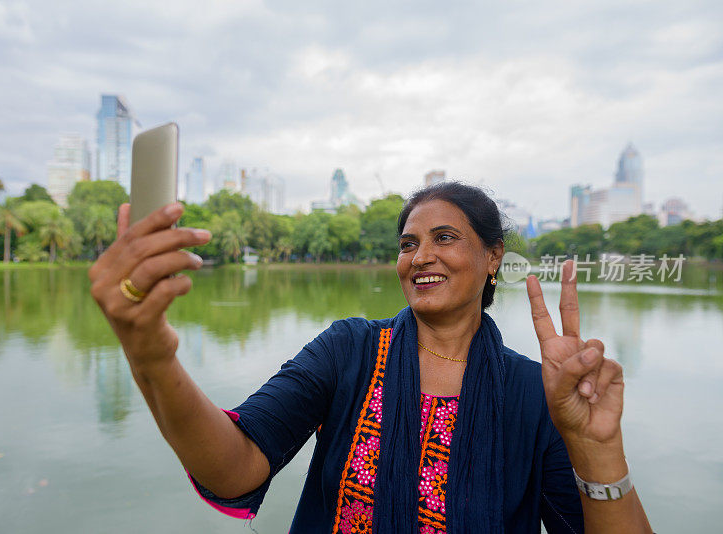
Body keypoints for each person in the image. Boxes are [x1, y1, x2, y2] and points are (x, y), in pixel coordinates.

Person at [89, 181, 652, 533]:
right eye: (408, 243)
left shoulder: (537, 392)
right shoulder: (351, 351)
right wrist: (152, 358)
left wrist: (597, 446)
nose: (421, 256)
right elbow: (233, 468)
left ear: (492, 257)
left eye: (445, 237)